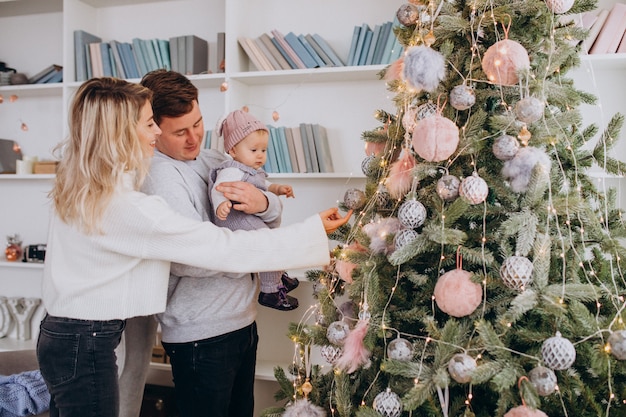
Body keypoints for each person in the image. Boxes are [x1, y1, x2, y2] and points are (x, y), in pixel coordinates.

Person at [35, 77, 351, 417]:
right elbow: (216, 247)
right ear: (121, 133)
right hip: (86, 338)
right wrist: (311, 232)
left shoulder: (87, 183)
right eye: (149, 123)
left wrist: (266, 204)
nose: (155, 132)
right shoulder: (123, 205)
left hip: (69, 335)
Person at [211, 109, 299, 311]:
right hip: (234, 219)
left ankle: (279, 278)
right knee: (267, 242)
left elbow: (265, 185)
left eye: (264, 150)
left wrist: (278, 189)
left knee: (274, 239)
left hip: (245, 216)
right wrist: (220, 205)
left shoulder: (250, 170)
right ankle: (270, 291)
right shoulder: (231, 170)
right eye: (254, 151)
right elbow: (219, 189)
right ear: (233, 150)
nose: (260, 156)